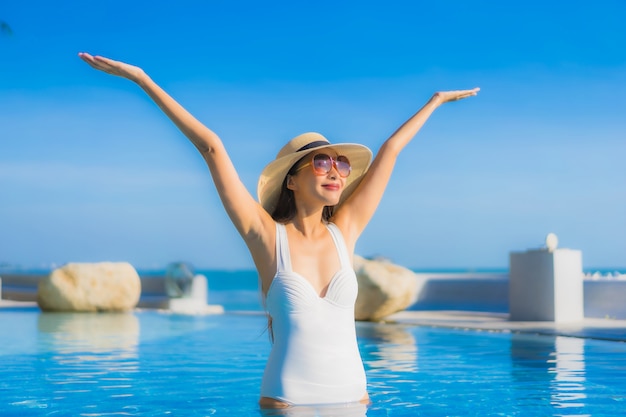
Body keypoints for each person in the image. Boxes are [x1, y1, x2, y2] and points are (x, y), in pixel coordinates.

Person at [78, 52, 479, 409]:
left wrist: (436, 101)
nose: (336, 172)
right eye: (321, 163)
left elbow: (390, 150)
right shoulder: (268, 238)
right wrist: (143, 79)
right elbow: (212, 147)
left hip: (355, 400)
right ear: (291, 180)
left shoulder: (346, 231)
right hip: (289, 402)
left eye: (340, 164)